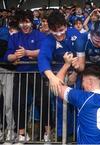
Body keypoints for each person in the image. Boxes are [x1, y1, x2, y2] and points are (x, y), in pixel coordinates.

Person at [5, 10, 48, 142]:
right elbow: (8, 56)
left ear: (31, 22)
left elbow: (44, 51)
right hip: (21, 74)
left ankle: (47, 133)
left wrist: (27, 52)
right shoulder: (14, 37)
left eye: (27, 22)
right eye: (22, 22)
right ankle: (22, 135)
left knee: (43, 102)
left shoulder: (40, 35)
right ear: (18, 23)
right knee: (19, 103)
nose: (25, 25)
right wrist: (15, 56)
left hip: (38, 73)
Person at [38, 11, 81, 139]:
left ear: (66, 26)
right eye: (55, 31)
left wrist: (76, 72)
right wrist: (52, 78)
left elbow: (83, 55)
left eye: (61, 30)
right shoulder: (48, 40)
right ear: (50, 30)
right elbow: (43, 59)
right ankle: (63, 136)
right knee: (60, 106)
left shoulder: (75, 34)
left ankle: (78, 135)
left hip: (77, 77)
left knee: (79, 104)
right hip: (59, 77)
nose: (59, 35)